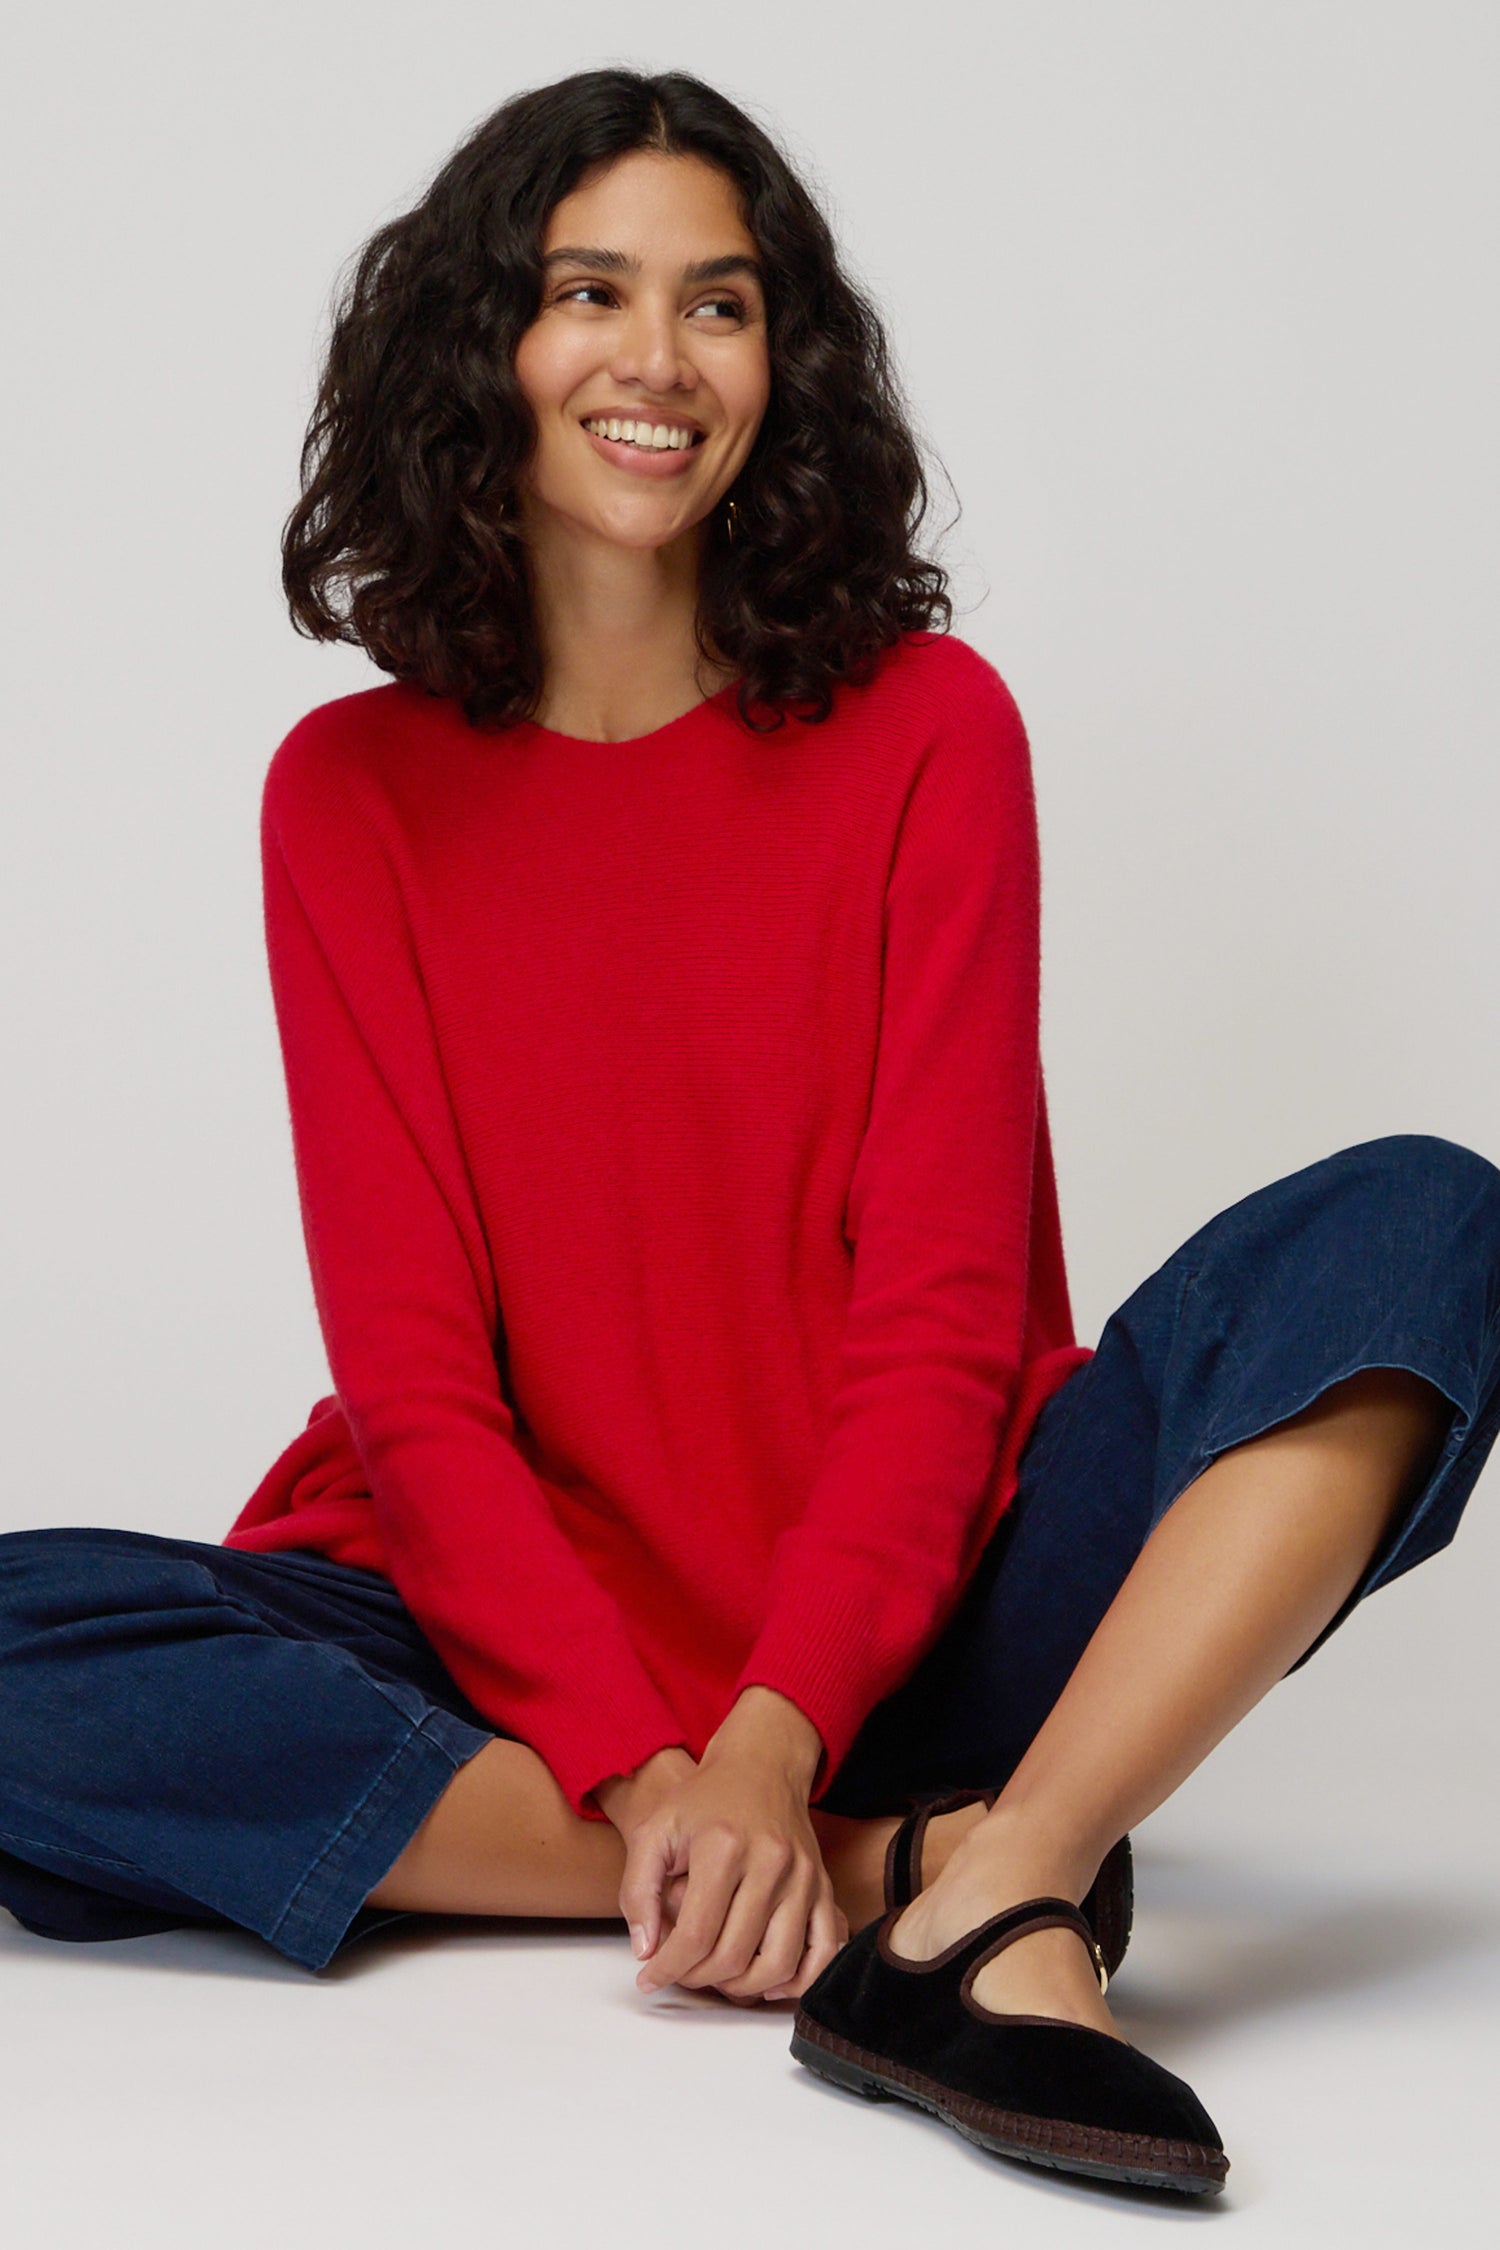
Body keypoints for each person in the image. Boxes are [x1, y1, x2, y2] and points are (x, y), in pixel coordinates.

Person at [1, 65, 1496, 2200]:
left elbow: (949, 1313)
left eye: (720, 303)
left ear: (779, 364)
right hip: (517, 1641)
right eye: (589, 289)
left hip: (926, 1610)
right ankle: (903, 1863)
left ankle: (1003, 1900)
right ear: (480, 349)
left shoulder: (925, 731)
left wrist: (778, 1725)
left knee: (1426, 1234)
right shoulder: (350, 796)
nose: (657, 358)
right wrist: (650, 1769)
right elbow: (416, 1381)